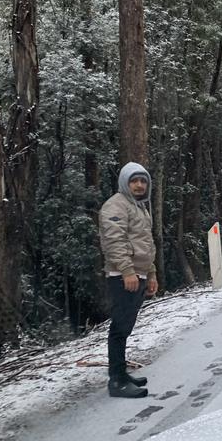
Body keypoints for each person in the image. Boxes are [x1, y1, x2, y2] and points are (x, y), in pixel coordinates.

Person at [99, 162, 159, 398]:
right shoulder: (115, 205)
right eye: (134, 180)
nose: (139, 185)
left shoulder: (140, 207)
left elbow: (147, 243)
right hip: (123, 275)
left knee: (125, 327)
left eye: (143, 181)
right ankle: (116, 381)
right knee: (119, 328)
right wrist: (126, 271)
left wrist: (151, 273)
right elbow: (114, 241)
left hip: (139, 273)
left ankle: (121, 373)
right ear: (125, 182)